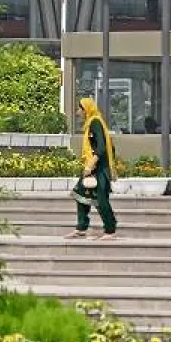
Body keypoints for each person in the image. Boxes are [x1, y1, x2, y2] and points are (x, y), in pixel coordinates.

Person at [67, 97, 118, 241]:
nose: (78, 112)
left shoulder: (95, 123)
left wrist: (90, 165)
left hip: (99, 168)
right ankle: (81, 228)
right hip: (93, 166)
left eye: (80, 109)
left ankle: (110, 230)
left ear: (86, 110)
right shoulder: (90, 124)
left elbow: (101, 148)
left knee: (101, 199)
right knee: (80, 194)